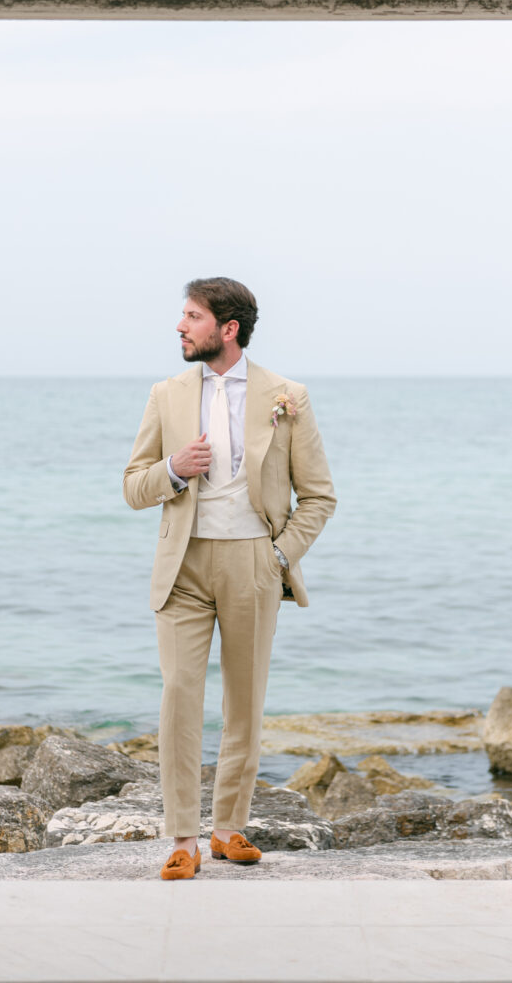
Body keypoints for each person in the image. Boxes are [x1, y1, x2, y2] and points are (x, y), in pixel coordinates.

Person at [123, 276, 336, 880]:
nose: (180, 326)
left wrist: (278, 556)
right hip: (183, 565)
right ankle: (183, 838)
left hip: (253, 563)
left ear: (228, 328)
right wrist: (174, 468)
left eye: (192, 316)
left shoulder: (288, 397)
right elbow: (133, 486)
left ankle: (227, 829)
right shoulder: (166, 394)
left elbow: (319, 496)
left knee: (244, 701)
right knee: (179, 696)